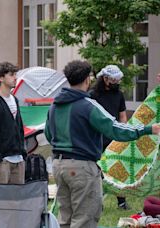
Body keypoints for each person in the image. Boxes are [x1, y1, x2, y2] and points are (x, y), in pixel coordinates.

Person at [44, 60, 160, 228]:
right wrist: (148, 129)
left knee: (65, 219)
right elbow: (115, 129)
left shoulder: (55, 105)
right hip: (82, 168)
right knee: (85, 219)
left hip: (58, 166)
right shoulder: (87, 105)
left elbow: (48, 134)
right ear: (86, 80)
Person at [90, 65, 129, 210]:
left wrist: (122, 134)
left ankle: (122, 202)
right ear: (105, 79)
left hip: (114, 139)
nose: (116, 82)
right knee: (97, 172)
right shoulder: (93, 95)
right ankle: (97, 202)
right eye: (114, 79)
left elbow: (123, 116)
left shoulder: (119, 95)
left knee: (118, 170)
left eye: (118, 80)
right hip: (97, 140)